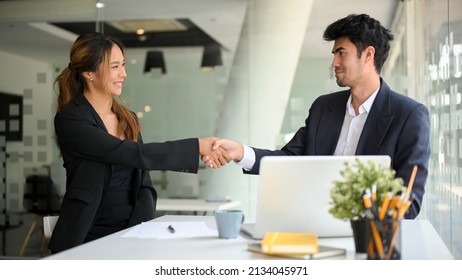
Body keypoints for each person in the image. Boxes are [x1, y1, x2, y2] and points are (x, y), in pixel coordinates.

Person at [203, 14, 430, 219]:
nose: (334, 63)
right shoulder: (323, 107)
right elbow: (290, 160)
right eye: (334, 54)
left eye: (341, 53)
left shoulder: (409, 115)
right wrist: (241, 152)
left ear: (368, 54)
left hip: (368, 237)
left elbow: (408, 202)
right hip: (309, 227)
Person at [49, 32, 229, 253]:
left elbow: (144, 183)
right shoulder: (71, 119)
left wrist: (139, 230)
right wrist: (196, 146)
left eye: (123, 65)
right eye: (115, 66)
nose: (123, 73)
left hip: (132, 232)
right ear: (88, 72)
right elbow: (130, 153)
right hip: (86, 234)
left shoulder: (128, 118)